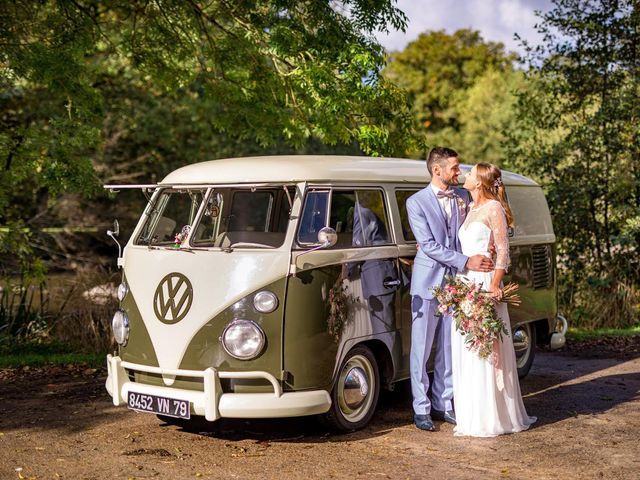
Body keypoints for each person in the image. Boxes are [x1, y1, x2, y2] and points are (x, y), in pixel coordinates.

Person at [406, 147, 494, 431]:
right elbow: (429, 246)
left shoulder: (462, 197)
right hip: (427, 283)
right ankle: (421, 409)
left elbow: (480, 223)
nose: (459, 172)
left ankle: (444, 404)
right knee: (421, 348)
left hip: (457, 284)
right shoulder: (415, 202)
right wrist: (466, 260)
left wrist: (488, 244)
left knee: (449, 348)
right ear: (437, 170)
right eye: (455, 168)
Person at [452, 163, 536, 436]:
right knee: (468, 347)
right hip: (465, 284)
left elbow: (503, 251)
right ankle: (472, 415)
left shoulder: (493, 208)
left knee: (486, 347)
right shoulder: (469, 208)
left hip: (485, 284)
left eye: (470, 174)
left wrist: (495, 285)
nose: (465, 176)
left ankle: (492, 416)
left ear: (479, 183)